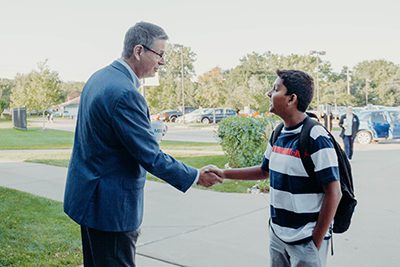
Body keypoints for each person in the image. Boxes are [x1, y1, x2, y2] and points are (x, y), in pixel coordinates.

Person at [63, 22, 223, 267]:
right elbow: (150, 156)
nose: (162, 62)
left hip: (90, 198)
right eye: (160, 54)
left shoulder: (100, 77)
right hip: (111, 208)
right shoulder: (126, 93)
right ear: (139, 50)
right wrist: (195, 176)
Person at [209, 70, 342, 267]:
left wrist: (314, 242)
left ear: (291, 99)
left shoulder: (316, 137)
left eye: (275, 89)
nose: (268, 94)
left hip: (305, 240)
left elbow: (334, 192)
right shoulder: (279, 132)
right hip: (278, 235)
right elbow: (265, 170)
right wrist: (224, 173)